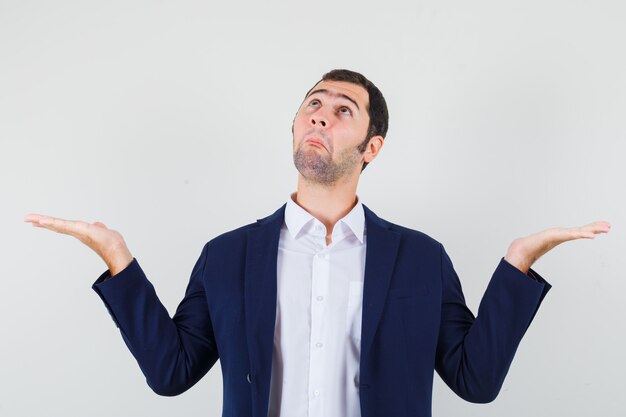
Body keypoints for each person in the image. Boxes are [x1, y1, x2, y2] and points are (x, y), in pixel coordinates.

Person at [25, 69, 610, 417]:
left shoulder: (421, 259)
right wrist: (117, 260)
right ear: (295, 126)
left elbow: (474, 380)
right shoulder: (228, 255)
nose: (320, 118)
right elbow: (172, 371)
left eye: (342, 111)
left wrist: (520, 264)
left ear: (371, 147)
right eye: (313, 105)